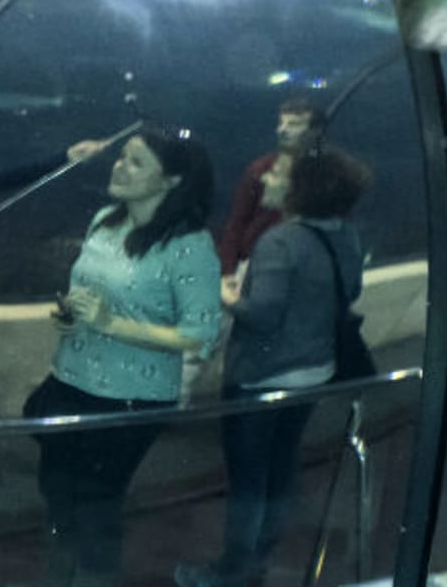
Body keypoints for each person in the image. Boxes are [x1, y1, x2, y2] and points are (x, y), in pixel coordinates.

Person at [30, 126, 223, 587]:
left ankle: (92, 579)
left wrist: (110, 324)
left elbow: (199, 335)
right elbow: (90, 297)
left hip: (130, 397)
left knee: (96, 505)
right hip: (70, 377)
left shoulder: (189, 245)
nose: (120, 166)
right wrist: (71, 317)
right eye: (121, 158)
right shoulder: (105, 220)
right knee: (55, 491)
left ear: (172, 181)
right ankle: (58, 578)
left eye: (137, 162)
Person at [180, 147, 377, 587]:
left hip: (262, 379)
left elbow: (261, 314)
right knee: (281, 469)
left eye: (278, 175)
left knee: (248, 480)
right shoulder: (345, 235)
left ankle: (231, 570)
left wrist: (224, 294)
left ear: (300, 189)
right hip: (314, 372)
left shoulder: (281, 241)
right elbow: (353, 287)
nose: (265, 179)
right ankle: (263, 558)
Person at [212, 96, 327, 279]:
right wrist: (227, 271)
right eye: (281, 123)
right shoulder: (261, 169)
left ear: (314, 131)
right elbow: (237, 222)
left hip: (304, 267)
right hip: (255, 262)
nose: (282, 130)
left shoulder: (328, 172)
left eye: (294, 124)